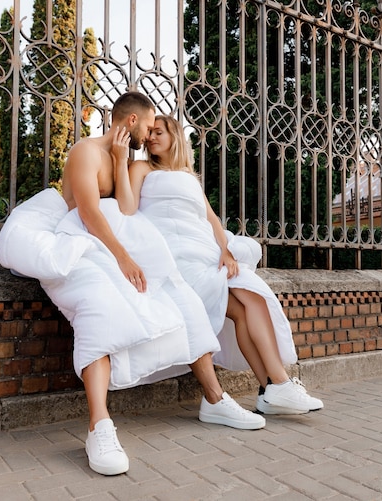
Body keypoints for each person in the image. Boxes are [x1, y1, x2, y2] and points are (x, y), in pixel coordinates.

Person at [0, 93, 264, 478]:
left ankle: (215, 400)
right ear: (132, 121)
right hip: (83, 243)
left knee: (182, 301)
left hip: (118, 241)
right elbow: (88, 213)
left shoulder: (125, 158)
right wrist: (122, 257)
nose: (151, 132)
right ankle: (99, 427)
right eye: (149, 125)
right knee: (101, 311)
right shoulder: (85, 152)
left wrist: (122, 163)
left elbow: (125, 208)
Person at [117, 114, 324, 416]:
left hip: (205, 249)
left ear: (175, 136)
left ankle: (273, 388)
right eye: (149, 134)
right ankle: (275, 386)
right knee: (241, 308)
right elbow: (126, 208)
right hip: (176, 255)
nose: (150, 138)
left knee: (251, 300)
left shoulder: (189, 175)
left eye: (158, 132)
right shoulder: (141, 168)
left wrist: (225, 251)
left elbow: (210, 218)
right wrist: (120, 159)